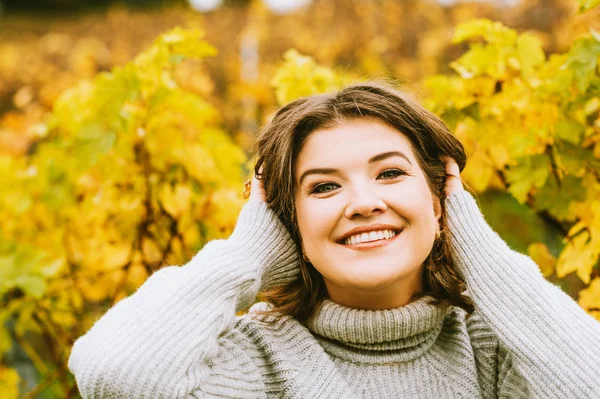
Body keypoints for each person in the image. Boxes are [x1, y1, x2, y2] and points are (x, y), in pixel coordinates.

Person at [68, 82, 600, 398]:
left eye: (390, 174)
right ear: (286, 223)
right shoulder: (258, 360)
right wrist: (246, 254)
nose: (364, 201)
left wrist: (479, 253)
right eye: (323, 187)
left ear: (441, 203)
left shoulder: (495, 353)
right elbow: (115, 375)